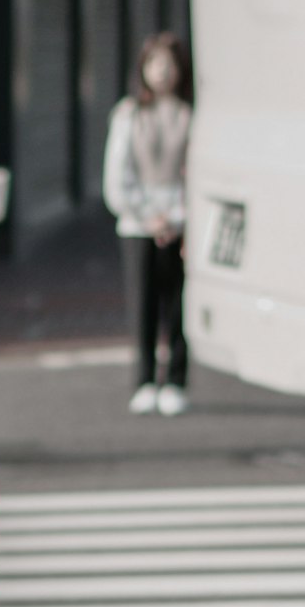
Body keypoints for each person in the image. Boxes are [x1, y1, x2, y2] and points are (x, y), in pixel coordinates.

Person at [103, 31, 194, 415]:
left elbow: (198, 174)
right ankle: (143, 380)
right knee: (142, 304)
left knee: (179, 303)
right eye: (155, 63)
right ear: (143, 68)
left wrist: (178, 217)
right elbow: (117, 173)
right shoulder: (128, 113)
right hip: (138, 224)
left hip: (180, 222)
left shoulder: (190, 113)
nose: (162, 72)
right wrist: (146, 214)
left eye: (169, 64)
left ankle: (175, 379)